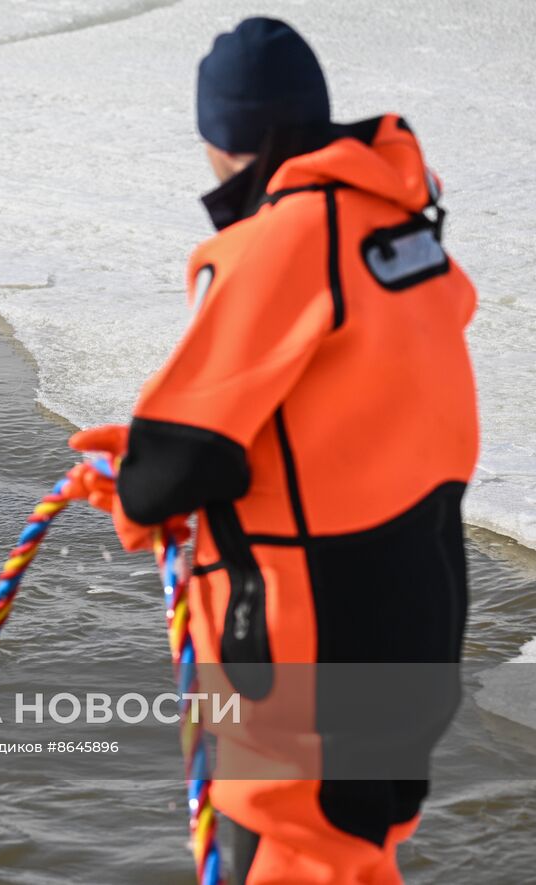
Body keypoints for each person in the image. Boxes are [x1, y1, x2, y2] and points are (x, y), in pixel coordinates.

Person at [68, 18, 478, 885]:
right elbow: (344, 405)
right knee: (356, 849)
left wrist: (131, 484)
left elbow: (181, 461)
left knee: (286, 848)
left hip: (308, 633)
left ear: (220, 142)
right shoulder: (402, 233)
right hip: (421, 605)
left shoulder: (286, 239)